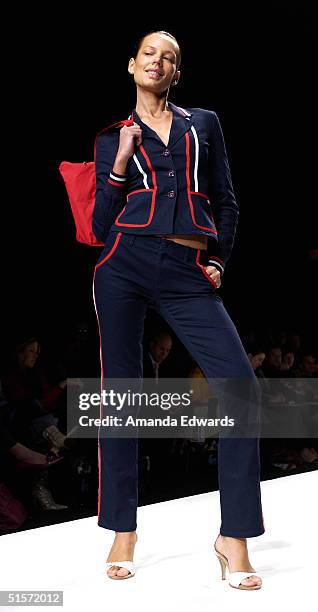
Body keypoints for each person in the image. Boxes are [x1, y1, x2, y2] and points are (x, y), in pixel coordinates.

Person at [92, 30, 264, 590]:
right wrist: (120, 163)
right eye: (148, 53)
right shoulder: (113, 136)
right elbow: (98, 226)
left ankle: (232, 536)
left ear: (176, 73)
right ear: (131, 65)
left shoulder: (203, 124)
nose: (157, 61)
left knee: (241, 388)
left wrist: (219, 261)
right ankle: (123, 530)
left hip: (188, 270)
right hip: (125, 261)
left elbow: (227, 198)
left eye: (169, 56)